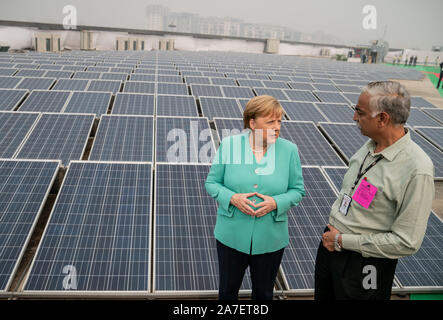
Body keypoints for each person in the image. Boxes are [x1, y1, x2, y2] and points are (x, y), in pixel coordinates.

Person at [314, 81, 435, 300]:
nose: (354, 118)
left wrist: (342, 241)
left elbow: (407, 242)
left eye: (360, 112)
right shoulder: (370, 145)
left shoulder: (417, 169)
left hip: (364, 264)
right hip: (331, 248)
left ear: (382, 119)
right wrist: (335, 240)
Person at [205, 95, 305, 300]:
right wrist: (233, 198)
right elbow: (212, 183)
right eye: (270, 121)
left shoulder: (289, 150)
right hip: (231, 236)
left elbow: (297, 190)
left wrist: (276, 202)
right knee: (227, 292)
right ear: (252, 122)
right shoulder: (230, 145)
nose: (277, 126)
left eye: (279, 121)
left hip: (271, 238)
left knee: (264, 293)